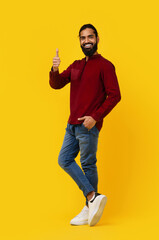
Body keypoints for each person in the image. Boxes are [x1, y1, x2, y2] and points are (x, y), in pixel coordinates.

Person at [49, 24, 121, 226]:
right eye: (83, 38)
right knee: (64, 160)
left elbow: (115, 95)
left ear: (97, 39)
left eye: (90, 37)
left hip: (87, 126)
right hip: (71, 125)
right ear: (79, 41)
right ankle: (92, 197)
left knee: (88, 164)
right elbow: (56, 84)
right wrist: (55, 68)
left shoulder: (105, 65)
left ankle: (89, 206)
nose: (86, 41)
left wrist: (95, 117)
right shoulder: (76, 65)